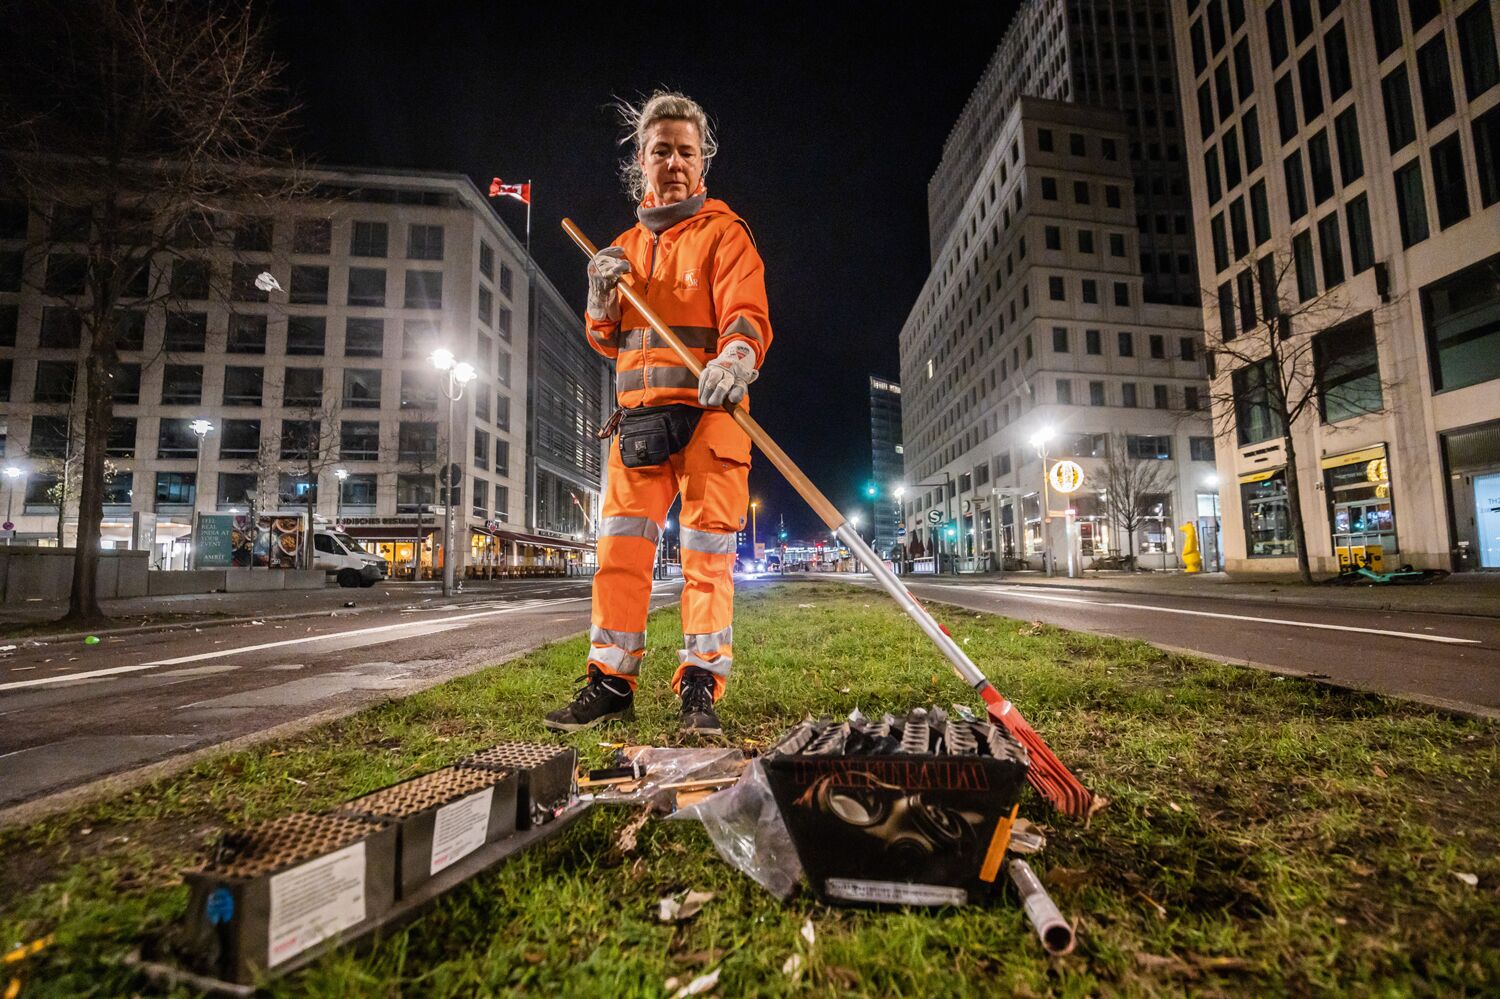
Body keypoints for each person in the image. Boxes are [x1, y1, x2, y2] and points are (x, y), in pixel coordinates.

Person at [544, 91, 771, 736]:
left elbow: (747, 314)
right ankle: (610, 682)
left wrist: (735, 358)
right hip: (636, 423)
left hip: (711, 417)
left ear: (705, 162)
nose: (673, 161)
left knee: (707, 557)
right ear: (639, 161)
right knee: (619, 554)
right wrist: (599, 295)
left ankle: (700, 685)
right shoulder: (619, 248)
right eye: (660, 150)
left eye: (686, 151)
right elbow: (606, 337)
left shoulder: (726, 236)